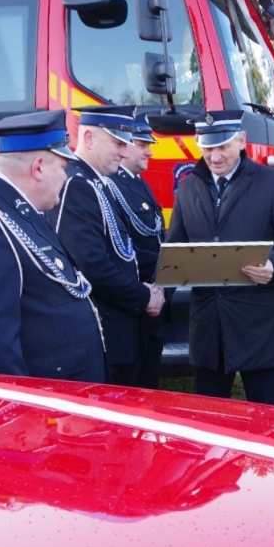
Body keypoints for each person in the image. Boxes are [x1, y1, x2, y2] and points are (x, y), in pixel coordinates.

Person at [0, 110, 106, 382]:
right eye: (62, 168)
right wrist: (19, 410)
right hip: (36, 405)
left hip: (60, 393)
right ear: (38, 167)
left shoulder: (18, 208)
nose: (65, 178)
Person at [166, 110, 274, 407]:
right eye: (207, 148)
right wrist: (159, 293)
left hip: (261, 330)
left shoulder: (271, 183)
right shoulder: (188, 188)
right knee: (210, 423)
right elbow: (175, 251)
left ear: (242, 141)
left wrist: (273, 266)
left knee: (271, 422)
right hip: (210, 333)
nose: (215, 157)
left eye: (223, 147)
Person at [47, 106, 165, 386]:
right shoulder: (78, 183)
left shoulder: (96, 181)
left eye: (126, 143)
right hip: (106, 330)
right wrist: (143, 295)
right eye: (117, 142)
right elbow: (91, 265)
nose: (125, 152)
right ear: (88, 138)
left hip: (119, 326)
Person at [107, 109, 166, 389]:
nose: (149, 153)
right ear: (123, 144)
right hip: (133, 300)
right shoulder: (111, 184)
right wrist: (147, 292)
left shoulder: (139, 183)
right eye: (141, 145)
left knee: (148, 380)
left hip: (151, 297)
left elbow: (155, 235)